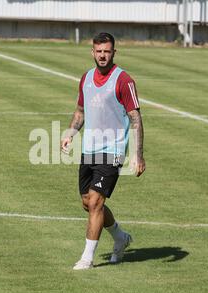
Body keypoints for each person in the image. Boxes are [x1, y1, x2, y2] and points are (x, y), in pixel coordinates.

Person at [61, 32, 146, 270]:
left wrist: (137, 155)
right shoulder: (86, 78)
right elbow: (80, 111)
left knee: (97, 201)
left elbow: (136, 118)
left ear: (113, 53)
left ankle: (87, 258)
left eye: (107, 51)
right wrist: (70, 133)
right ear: (92, 52)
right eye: (98, 51)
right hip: (89, 148)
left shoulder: (123, 80)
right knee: (87, 203)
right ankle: (120, 237)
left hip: (113, 149)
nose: (102, 55)